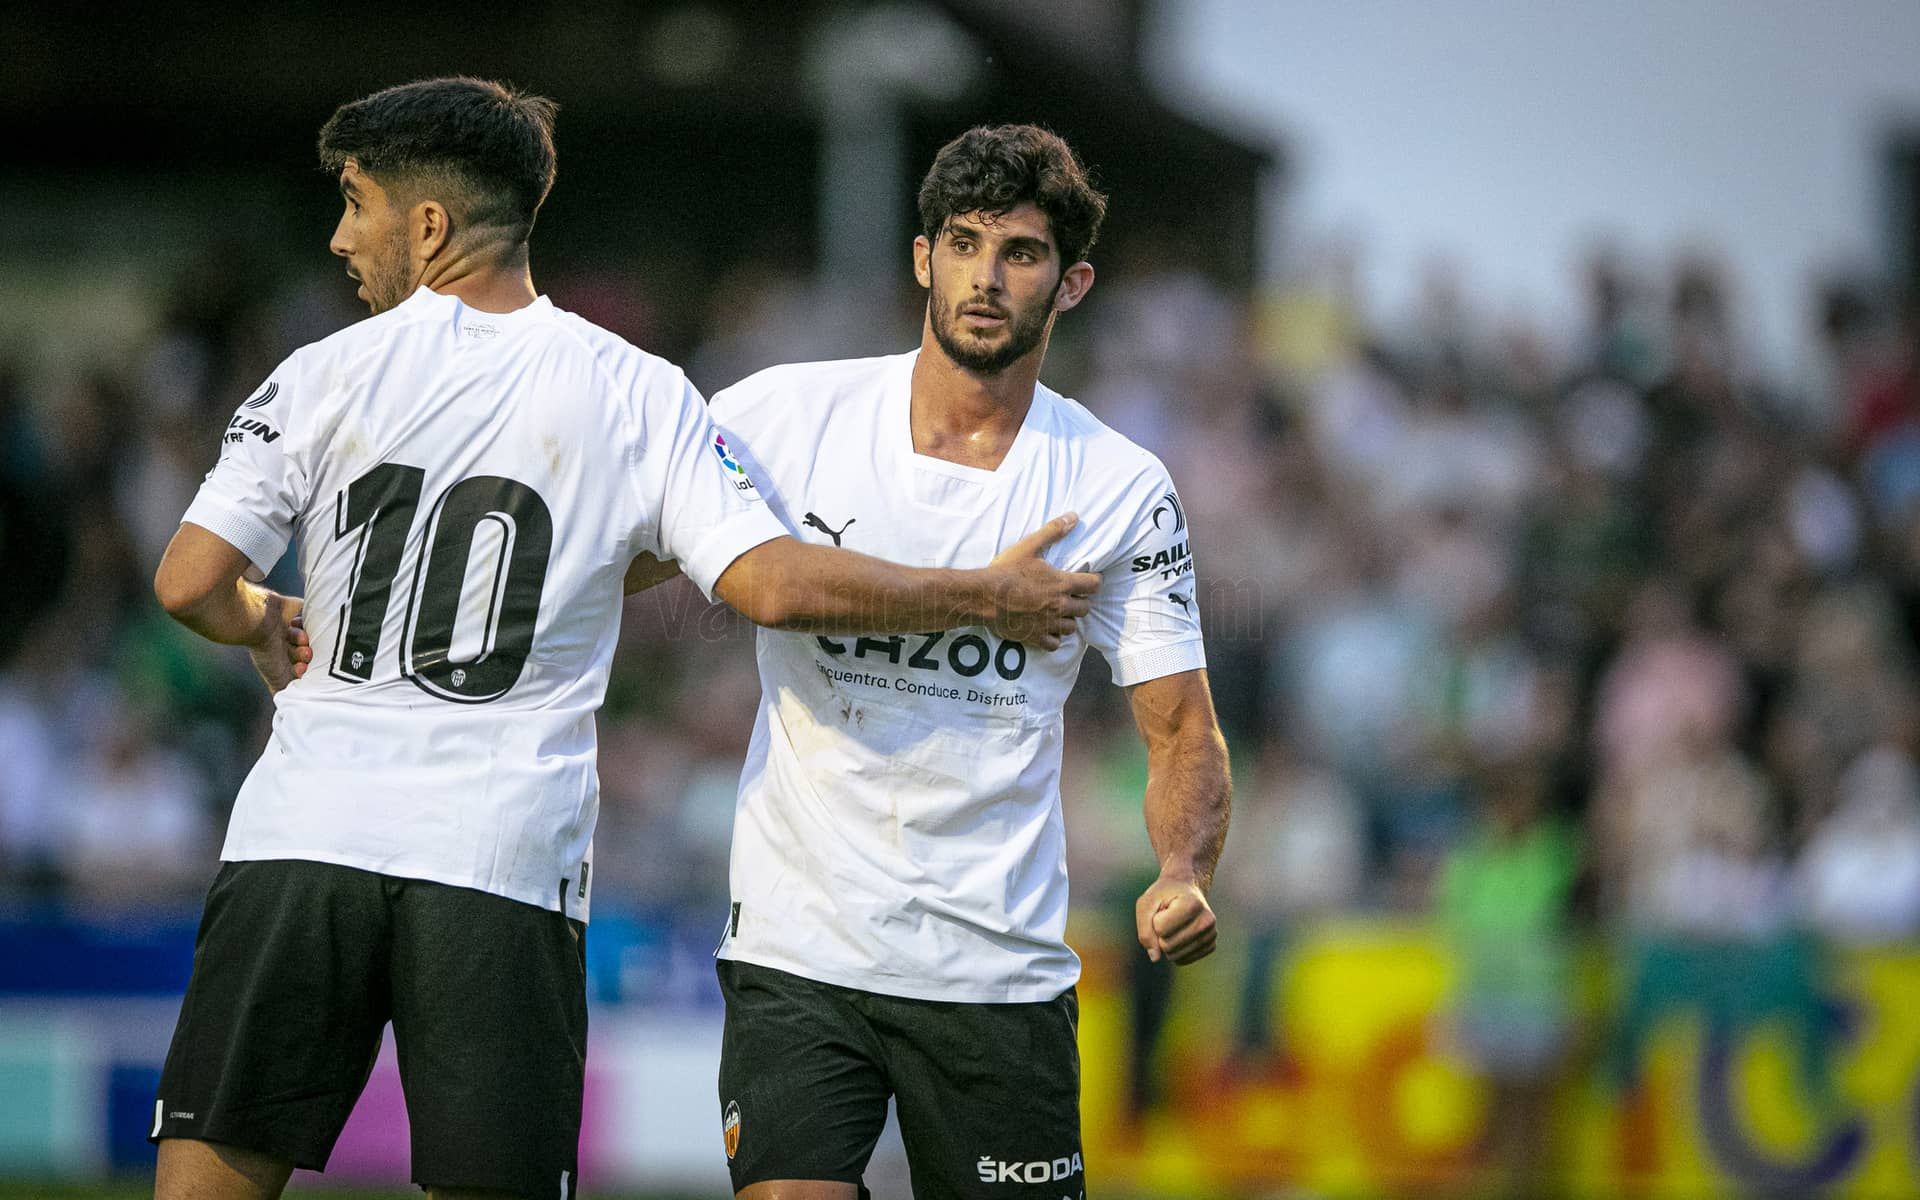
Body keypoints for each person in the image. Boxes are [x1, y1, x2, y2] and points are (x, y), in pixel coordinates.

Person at [146, 81, 1098, 1200]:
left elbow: (190, 582)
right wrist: (983, 597)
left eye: (356, 202)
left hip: (298, 838)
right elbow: (773, 586)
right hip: (494, 856)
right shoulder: (637, 391)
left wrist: (266, 620)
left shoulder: (319, 372)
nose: (340, 236)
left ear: (432, 225)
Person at [702, 125, 1233, 1199]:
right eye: (963, 241)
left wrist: (1183, 872)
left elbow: (1182, 730)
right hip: (801, 942)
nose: (986, 277)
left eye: (1022, 253)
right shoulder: (778, 417)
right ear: (920, 257)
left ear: (1072, 282)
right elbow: (628, 557)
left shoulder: (1119, 485)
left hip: (995, 967)